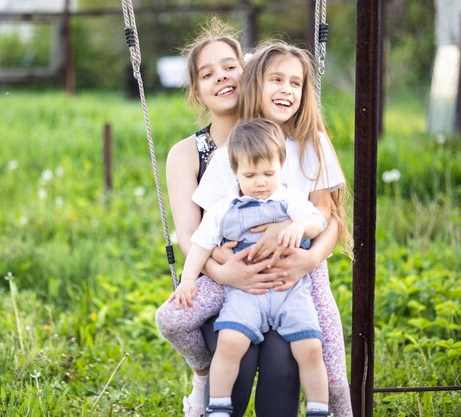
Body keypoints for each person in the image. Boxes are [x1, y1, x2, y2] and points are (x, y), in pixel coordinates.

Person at [193, 40, 353, 416]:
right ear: (254, 84)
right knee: (178, 319)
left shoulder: (314, 143)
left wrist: (309, 259)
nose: (286, 90)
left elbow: (328, 217)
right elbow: (209, 223)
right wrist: (220, 260)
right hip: (241, 273)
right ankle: (202, 384)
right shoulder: (236, 148)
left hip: (302, 275)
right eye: (276, 79)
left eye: (295, 83)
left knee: (331, 370)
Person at [155, 18, 301, 417]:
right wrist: (227, 273)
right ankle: (203, 382)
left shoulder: (275, 139)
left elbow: (309, 207)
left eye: (229, 66)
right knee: (235, 355)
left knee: (280, 360)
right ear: (197, 90)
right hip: (219, 282)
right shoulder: (186, 153)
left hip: (278, 283)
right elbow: (188, 234)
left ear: (247, 72)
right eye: (208, 73)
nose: (221, 77)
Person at [172, 118, 331, 417]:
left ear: (281, 167)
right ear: (235, 172)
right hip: (246, 292)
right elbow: (201, 243)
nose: (260, 182)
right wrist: (189, 279)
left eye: (269, 173)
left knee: (310, 346)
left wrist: (299, 226)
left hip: (290, 289)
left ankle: (318, 409)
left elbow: (317, 222)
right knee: (231, 342)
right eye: (250, 174)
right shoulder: (224, 208)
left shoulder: (289, 198)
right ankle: (219, 406)